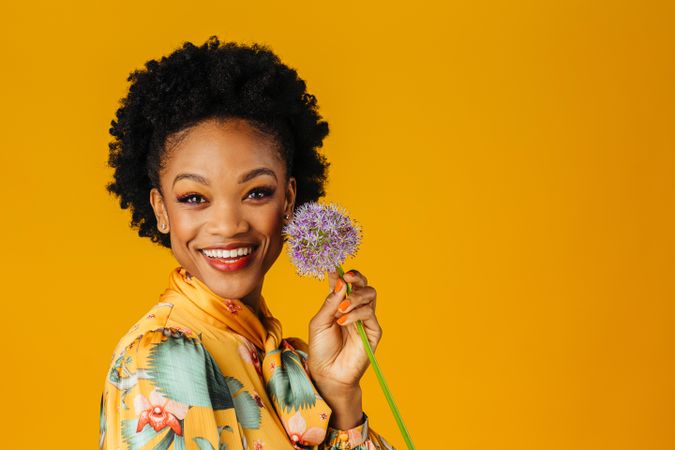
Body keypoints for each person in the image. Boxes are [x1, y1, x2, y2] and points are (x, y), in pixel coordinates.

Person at [99, 35, 396, 450]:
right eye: (194, 198)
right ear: (162, 210)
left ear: (289, 200)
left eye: (257, 192)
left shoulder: (271, 353)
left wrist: (339, 393)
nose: (228, 225)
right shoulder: (167, 357)